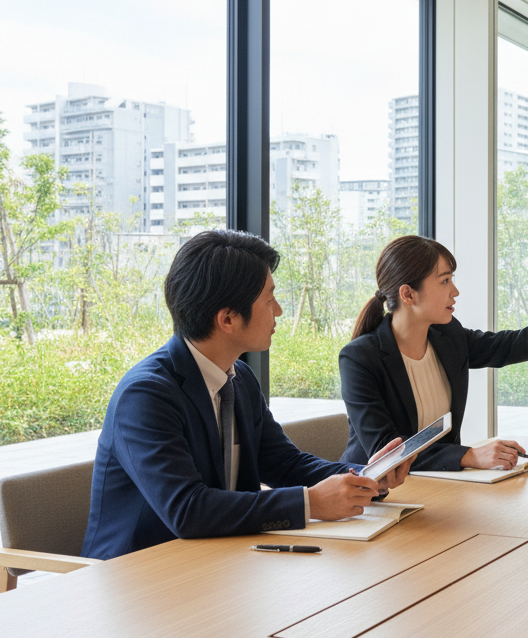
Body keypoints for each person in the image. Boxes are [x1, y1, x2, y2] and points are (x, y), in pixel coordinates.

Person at [83, 230, 412, 560]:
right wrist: (310, 503)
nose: (279, 311)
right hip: (138, 575)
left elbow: (284, 463)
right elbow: (187, 510)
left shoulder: (239, 379)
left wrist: (366, 479)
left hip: (220, 561)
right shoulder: (146, 394)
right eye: (269, 300)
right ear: (227, 318)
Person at [339, 234, 528, 470]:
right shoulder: (359, 359)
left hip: (440, 489)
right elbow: (386, 452)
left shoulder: (448, 336)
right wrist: (468, 455)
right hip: (372, 499)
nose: (454, 291)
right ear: (408, 294)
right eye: (445, 281)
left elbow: (512, 345)